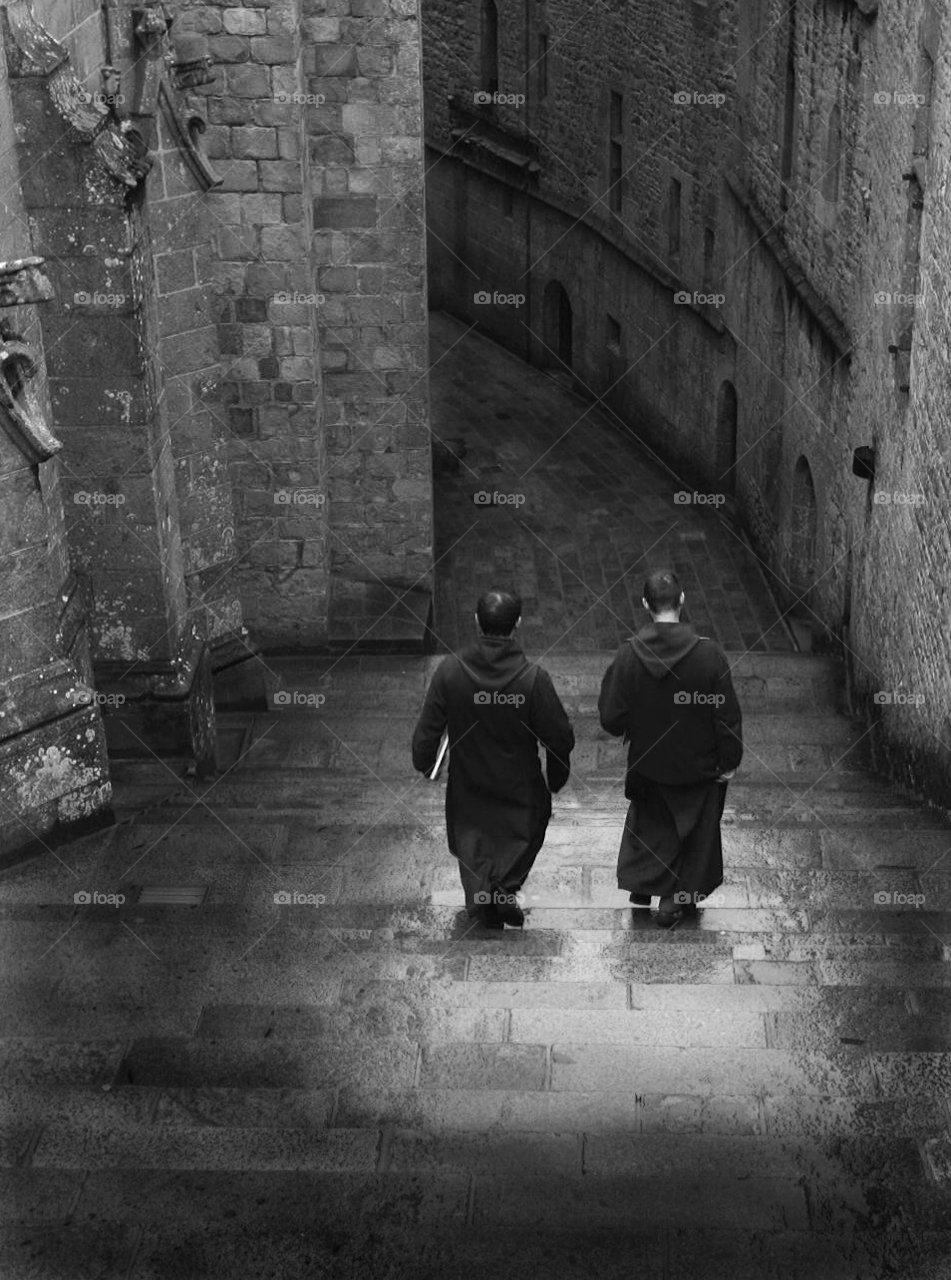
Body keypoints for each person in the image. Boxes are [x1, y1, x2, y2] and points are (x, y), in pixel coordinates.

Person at [412, 589, 575, 929]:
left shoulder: (449, 672)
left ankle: (485, 894)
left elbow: (428, 731)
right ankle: (503, 889)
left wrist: (425, 761)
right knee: (521, 837)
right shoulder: (533, 680)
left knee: (473, 840)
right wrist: (556, 775)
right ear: (518, 624)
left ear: (476, 621)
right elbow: (559, 735)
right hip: (520, 787)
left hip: (468, 785)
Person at [598, 568, 742, 927]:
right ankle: (674, 899)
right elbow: (725, 716)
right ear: (682, 600)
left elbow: (611, 719)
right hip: (698, 768)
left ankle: (648, 886)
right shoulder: (709, 655)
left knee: (652, 825)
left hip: (648, 765)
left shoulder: (628, 656)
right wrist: (729, 760)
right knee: (692, 831)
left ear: (645, 604)